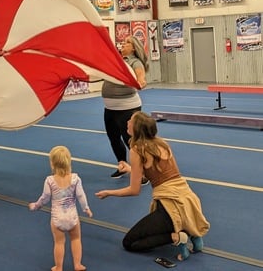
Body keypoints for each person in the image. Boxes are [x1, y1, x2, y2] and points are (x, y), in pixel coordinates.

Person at [95, 111, 210, 261]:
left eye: (130, 120)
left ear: (136, 128)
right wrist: (131, 169)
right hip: (188, 199)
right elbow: (159, 174)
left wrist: (109, 192)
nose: (127, 123)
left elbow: (134, 190)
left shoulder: (136, 150)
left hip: (170, 206)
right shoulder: (161, 143)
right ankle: (190, 230)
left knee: (129, 243)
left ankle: (177, 236)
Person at [29, 146, 93, 271]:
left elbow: (45, 198)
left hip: (57, 218)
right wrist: (86, 208)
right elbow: (81, 195)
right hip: (72, 216)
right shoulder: (75, 179)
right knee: (76, 239)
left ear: (52, 164)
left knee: (59, 243)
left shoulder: (50, 180)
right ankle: (78, 265)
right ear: (69, 161)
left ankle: (58, 267)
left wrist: (35, 206)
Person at [102, 36, 148, 183]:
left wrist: (141, 82)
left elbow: (140, 76)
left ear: (134, 48)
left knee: (131, 141)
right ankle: (122, 165)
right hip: (110, 108)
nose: (123, 44)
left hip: (128, 108)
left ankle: (143, 173)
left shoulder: (135, 62)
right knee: (114, 138)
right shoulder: (116, 60)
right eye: (123, 42)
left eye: (128, 42)